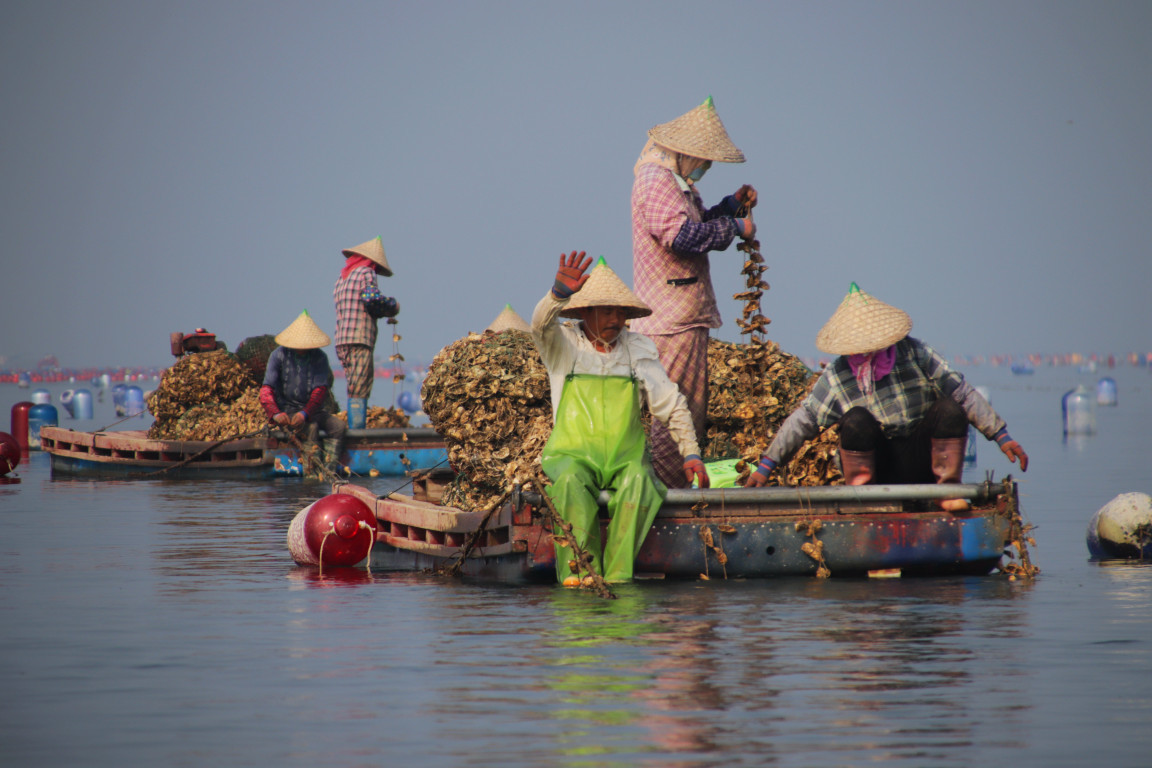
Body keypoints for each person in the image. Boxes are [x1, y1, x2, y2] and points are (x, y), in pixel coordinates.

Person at [744, 283, 1029, 510]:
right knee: (855, 420)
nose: (866, 351)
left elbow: (963, 394)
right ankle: (864, 499)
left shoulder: (914, 353)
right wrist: (767, 466)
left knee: (949, 409)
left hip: (922, 459)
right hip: (877, 465)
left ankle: (947, 491)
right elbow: (803, 421)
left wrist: (1001, 436)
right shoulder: (837, 375)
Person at [532, 252, 709, 584]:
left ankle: (618, 578)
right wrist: (556, 295)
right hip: (572, 455)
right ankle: (579, 573)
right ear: (586, 312)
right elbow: (540, 327)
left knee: (641, 482)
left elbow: (670, 403)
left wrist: (691, 453)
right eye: (607, 311)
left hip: (625, 458)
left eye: (621, 312)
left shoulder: (637, 348)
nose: (616, 319)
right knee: (569, 482)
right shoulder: (565, 345)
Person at [630, 96, 759, 489]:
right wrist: (734, 229)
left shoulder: (675, 183)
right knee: (676, 412)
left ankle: (671, 489)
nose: (706, 168)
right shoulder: (655, 181)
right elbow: (681, 237)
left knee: (684, 409)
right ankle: (670, 496)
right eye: (704, 160)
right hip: (670, 320)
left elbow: (698, 223)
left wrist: (731, 206)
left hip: (682, 315)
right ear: (685, 153)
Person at [259, 310, 348, 472]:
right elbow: (266, 390)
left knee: (339, 427)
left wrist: (305, 413)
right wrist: (276, 414)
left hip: (312, 411)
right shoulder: (278, 356)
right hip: (287, 411)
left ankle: (330, 469)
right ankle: (311, 474)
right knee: (311, 428)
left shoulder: (319, 357)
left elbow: (320, 391)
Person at [334, 236, 399, 428]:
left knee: (352, 384)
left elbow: (360, 304)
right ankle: (357, 430)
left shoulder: (342, 279)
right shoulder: (365, 272)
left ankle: (354, 425)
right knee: (361, 386)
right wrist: (392, 306)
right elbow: (371, 299)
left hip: (342, 340)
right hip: (359, 338)